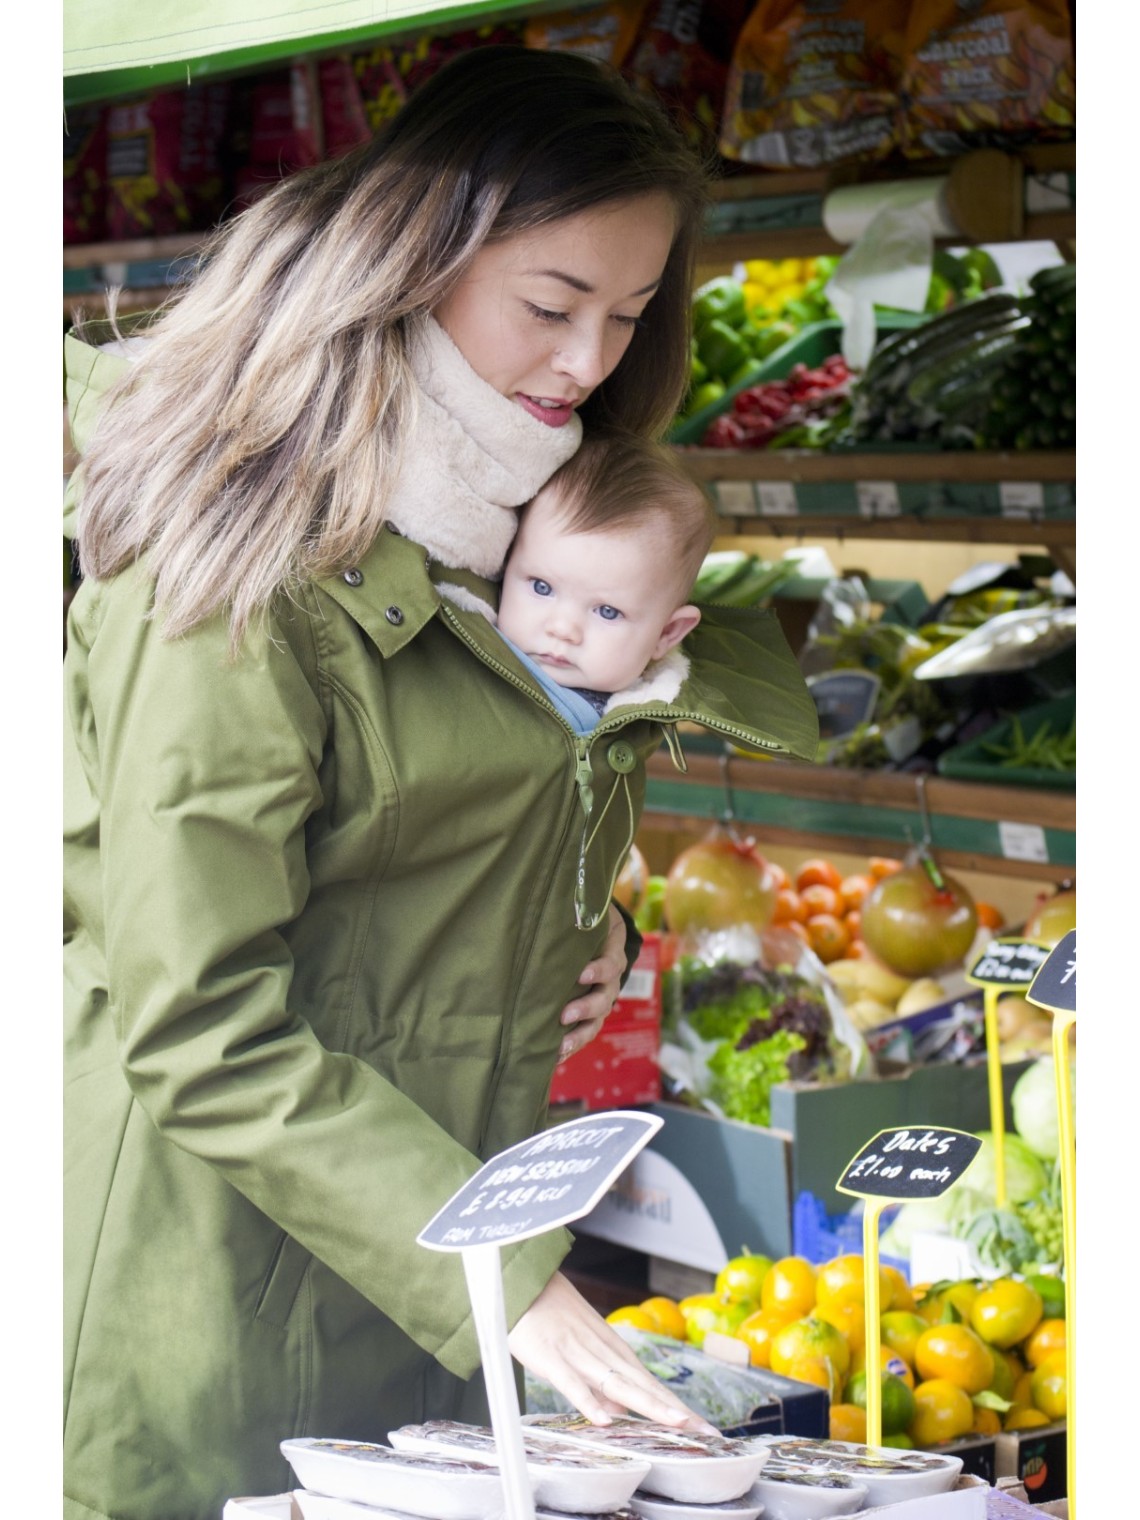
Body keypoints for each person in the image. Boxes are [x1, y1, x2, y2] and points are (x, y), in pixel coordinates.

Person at [63, 44, 818, 1520]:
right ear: (411, 261)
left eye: (631, 311)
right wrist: (511, 1279)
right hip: (204, 1290)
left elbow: (425, 837)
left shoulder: (515, 526)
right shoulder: (239, 572)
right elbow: (194, 1015)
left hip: (422, 1272)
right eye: (552, 305)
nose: (593, 360)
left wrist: (578, 932)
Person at [496, 431, 716, 728]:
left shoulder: (640, 718)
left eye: (607, 611)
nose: (562, 629)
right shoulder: (463, 673)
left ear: (667, 633)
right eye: (542, 587)